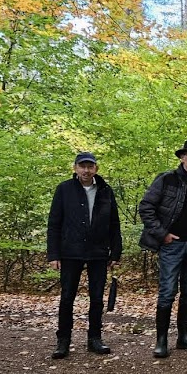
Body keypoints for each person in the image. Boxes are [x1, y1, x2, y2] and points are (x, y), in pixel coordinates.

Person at [139, 139, 187, 357]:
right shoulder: (167, 180)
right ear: (182, 158)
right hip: (172, 245)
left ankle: (184, 337)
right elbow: (146, 207)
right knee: (167, 292)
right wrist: (162, 234)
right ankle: (161, 340)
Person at [46, 152, 122, 358]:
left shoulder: (105, 191)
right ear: (75, 168)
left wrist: (116, 252)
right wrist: (53, 254)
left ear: (96, 169)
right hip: (70, 251)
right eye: (82, 166)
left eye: (90, 166)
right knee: (67, 297)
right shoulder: (64, 189)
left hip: (98, 252)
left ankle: (94, 339)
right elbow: (54, 223)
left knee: (97, 298)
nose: (86, 170)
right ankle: (63, 341)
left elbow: (114, 224)